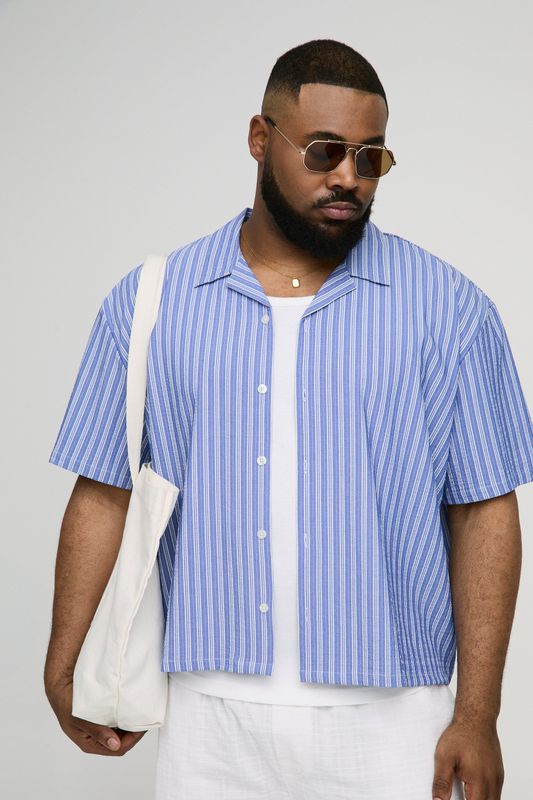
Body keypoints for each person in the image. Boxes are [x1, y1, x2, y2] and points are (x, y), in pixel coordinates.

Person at [44, 38, 533, 800]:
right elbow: (103, 490)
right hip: (208, 722)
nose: (348, 177)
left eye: (370, 158)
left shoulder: (450, 310)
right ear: (259, 138)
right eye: (324, 151)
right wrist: (63, 660)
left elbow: (483, 513)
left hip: (394, 725)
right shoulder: (152, 303)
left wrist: (477, 712)